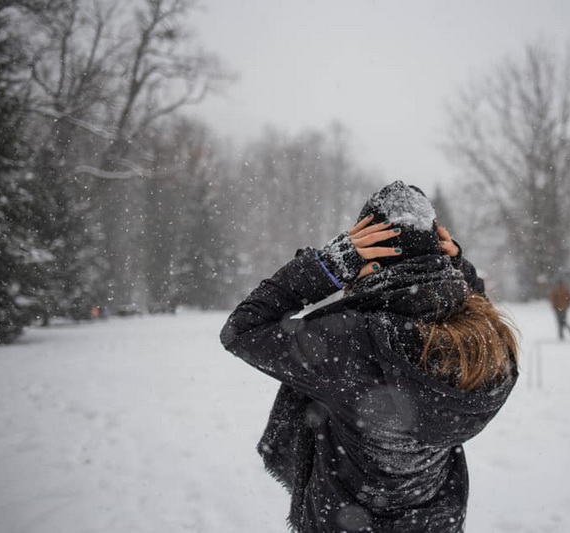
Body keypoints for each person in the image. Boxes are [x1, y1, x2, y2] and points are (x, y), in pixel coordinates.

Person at [220, 181, 519, 532]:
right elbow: (467, 299)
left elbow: (242, 329)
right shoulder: (487, 341)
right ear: (437, 257)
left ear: (370, 260)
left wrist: (328, 265)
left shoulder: (355, 341)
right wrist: (457, 268)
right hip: (439, 522)